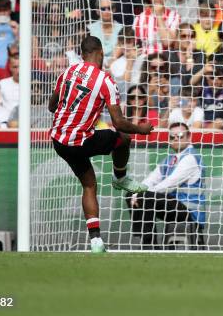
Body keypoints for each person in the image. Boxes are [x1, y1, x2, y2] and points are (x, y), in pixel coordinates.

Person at [48, 36, 154, 253]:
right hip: (81, 140)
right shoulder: (105, 80)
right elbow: (119, 122)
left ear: (82, 53)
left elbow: (51, 105)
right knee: (123, 138)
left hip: (59, 140)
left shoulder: (68, 72)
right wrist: (142, 129)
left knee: (89, 184)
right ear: (99, 52)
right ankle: (120, 177)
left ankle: (96, 240)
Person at [126, 122, 205, 249]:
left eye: (180, 135)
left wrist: (141, 193)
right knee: (130, 193)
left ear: (189, 137)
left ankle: (149, 245)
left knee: (146, 196)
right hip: (172, 207)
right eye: (172, 136)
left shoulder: (190, 158)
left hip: (188, 211)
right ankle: (144, 238)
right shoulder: (169, 160)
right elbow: (151, 179)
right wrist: (137, 192)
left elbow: (168, 185)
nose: (175, 139)